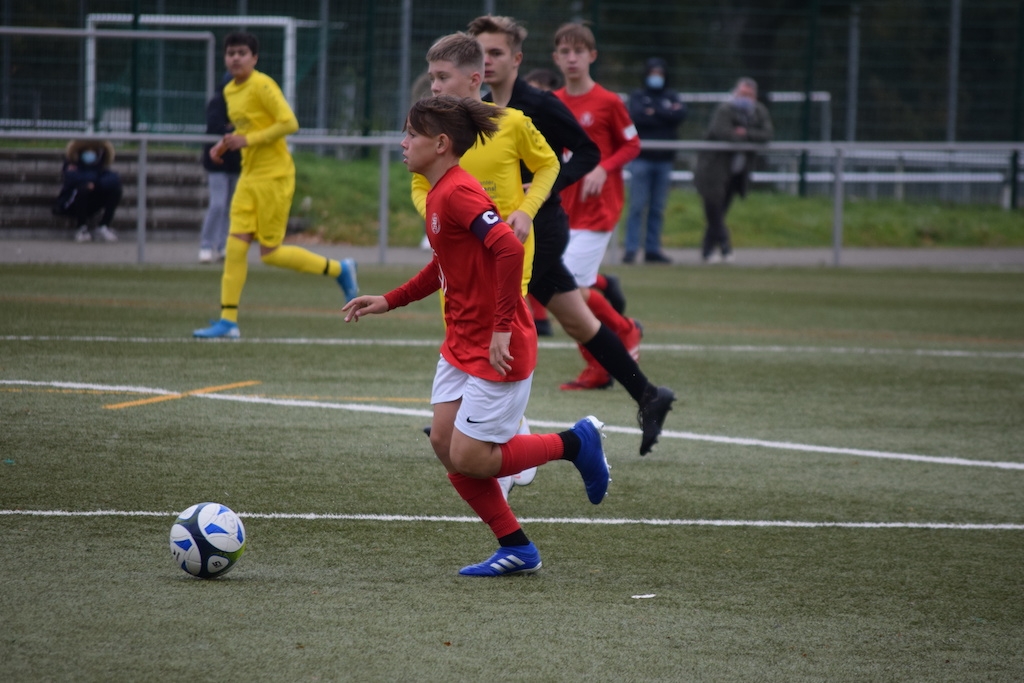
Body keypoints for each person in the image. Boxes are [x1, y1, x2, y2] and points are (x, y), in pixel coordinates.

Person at [342, 95, 610, 577]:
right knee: (446, 445)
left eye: (411, 135)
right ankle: (518, 548)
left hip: (497, 346)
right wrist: (390, 299)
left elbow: (509, 249)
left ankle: (575, 443)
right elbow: (444, 264)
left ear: (441, 144)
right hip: (461, 343)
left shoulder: (459, 192)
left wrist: (502, 328)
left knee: (471, 456)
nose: (402, 144)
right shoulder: (437, 192)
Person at [469, 14, 675, 456]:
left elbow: (588, 151)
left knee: (490, 306)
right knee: (579, 322)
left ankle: (472, 418)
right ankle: (649, 395)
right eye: (480, 52)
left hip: (541, 229)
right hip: (508, 231)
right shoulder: (481, 110)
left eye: (496, 52)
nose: (486, 61)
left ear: (517, 59)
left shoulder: (540, 104)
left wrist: (545, 186)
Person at [193, 32, 358, 339]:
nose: (235, 58)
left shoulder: (263, 85)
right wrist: (224, 145)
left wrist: (247, 140)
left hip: (274, 177)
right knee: (235, 247)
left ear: (254, 58)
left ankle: (340, 269)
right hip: (249, 177)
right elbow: (246, 129)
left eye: (242, 53)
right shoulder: (229, 90)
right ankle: (228, 321)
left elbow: (289, 122)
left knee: (270, 253)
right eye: (230, 53)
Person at [552, 22, 645, 389]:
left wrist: (604, 168)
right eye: (565, 51)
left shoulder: (608, 102)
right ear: (556, 58)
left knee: (567, 290)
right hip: (563, 209)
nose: (572, 58)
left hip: (598, 210)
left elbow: (632, 145)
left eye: (579, 51)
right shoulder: (554, 102)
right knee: (564, 290)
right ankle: (600, 364)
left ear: (592, 56)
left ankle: (623, 330)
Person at [693, 77, 774, 264]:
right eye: (742, 93)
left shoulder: (759, 111)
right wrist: (749, 137)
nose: (745, 98)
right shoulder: (725, 110)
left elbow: (767, 134)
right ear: (736, 92)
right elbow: (723, 133)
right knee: (714, 208)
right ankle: (725, 245)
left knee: (721, 210)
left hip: (736, 171)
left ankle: (707, 251)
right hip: (712, 169)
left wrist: (745, 133)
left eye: (749, 95)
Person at [624, 57, 687, 264]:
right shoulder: (638, 95)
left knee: (657, 208)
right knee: (637, 206)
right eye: (653, 73)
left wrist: (655, 111)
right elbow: (637, 117)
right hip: (641, 159)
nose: (656, 77)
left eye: (660, 73)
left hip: (664, 160)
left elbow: (680, 115)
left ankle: (652, 250)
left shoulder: (671, 95)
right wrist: (664, 113)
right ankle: (631, 249)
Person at [198, 74, 241, 264]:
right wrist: (234, 131)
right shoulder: (217, 102)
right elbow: (216, 127)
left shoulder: (245, 103)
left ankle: (224, 246)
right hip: (218, 164)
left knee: (230, 206)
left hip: (236, 163)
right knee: (217, 204)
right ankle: (206, 245)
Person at [54, 139, 122, 243]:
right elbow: (72, 177)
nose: (90, 153)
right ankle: (81, 227)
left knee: (115, 190)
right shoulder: (71, 166)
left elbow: (114, 179)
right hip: (70, 204)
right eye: (86, 150)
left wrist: (96, 184)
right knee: (83, 189)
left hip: (92, 203)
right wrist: (90, 182)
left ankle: (103, 226)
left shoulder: (100, 168)